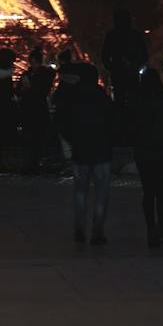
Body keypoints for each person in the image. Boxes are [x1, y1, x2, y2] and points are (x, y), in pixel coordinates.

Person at [53, 60, 118, 247]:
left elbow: (61, 122)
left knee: (80, 192)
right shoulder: (103, 98)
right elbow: (114, 123)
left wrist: (73, 139)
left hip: (81, 151)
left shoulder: (72, 98)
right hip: (102, 151)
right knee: (101, 193)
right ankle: (97, 230)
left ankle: (79, 228)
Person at [128, 63, 163, 249]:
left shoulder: (137, 103)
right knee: (161, 191)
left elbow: (131, 128)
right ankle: (162, 226)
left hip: (144, 152)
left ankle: (151, 228)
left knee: (148, 192)